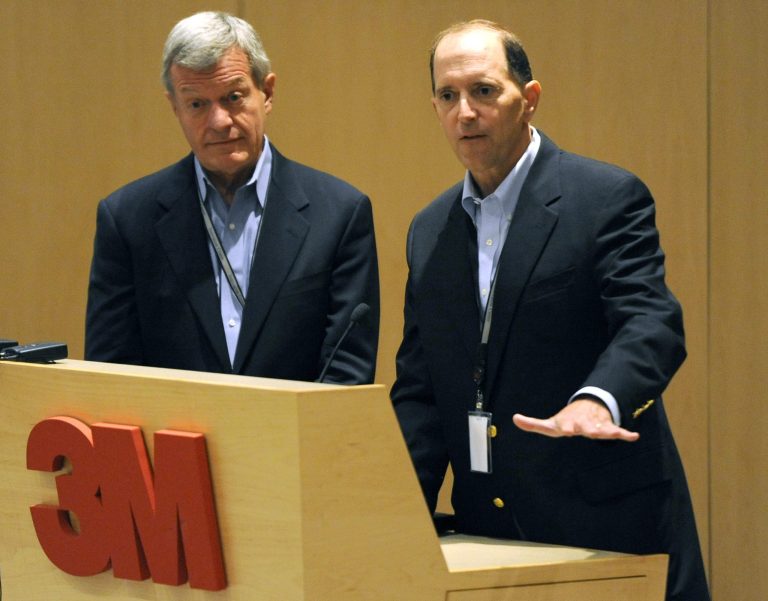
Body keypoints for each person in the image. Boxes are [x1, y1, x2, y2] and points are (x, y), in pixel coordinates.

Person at [391, 19, 709, 600]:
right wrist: (389, 517)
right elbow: (420, 389)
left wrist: (598, 398)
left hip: (605, 529)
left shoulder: (604, 198)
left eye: (484, 91)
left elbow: (652, 322)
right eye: (447, 95)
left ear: (529, 99)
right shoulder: (429, 229)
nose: (465, 112)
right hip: (488, 541)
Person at [86, 12, 379, 384]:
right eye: (197, 104)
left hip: (296, 439)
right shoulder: (128, 220)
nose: (219, 121)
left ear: (267, 92)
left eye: (233, 97)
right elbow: (111, 373)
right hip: (174, 440)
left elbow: (346, 372)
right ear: (175, 107)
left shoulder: (339, 213)